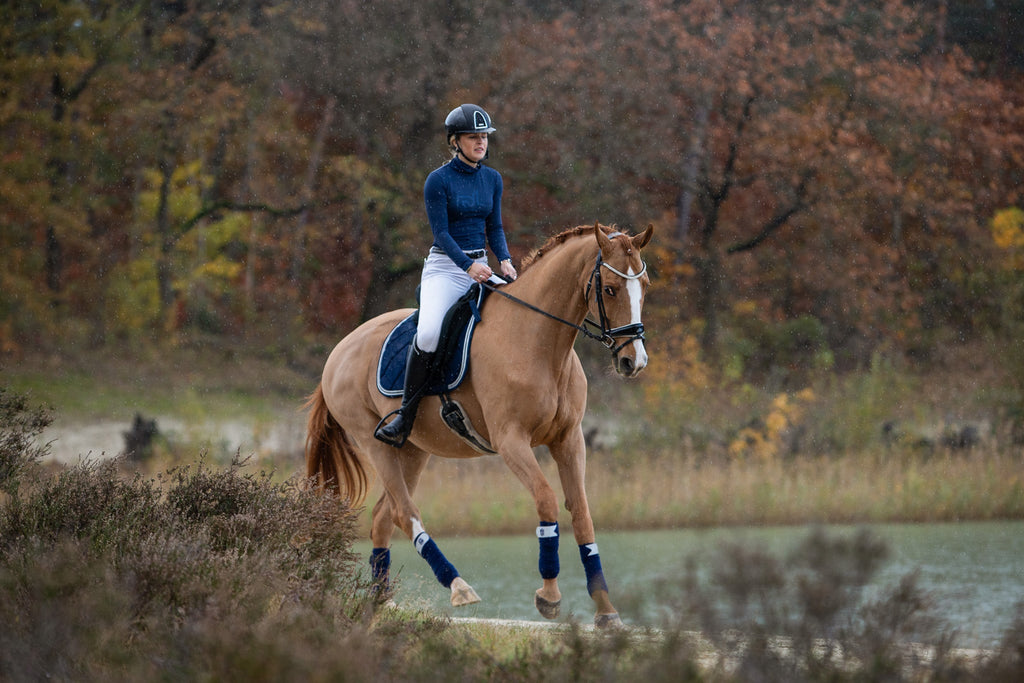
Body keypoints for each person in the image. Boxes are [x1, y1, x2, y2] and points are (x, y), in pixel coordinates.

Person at [375, 103, 518, 447]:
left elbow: (494, 226)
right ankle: (404, 417)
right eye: (473, 137)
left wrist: (506, 259)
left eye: (484, 136)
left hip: (482, 266)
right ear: (455, 141)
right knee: (427, 335)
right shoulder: (437, 181)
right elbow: (441, 233)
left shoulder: (492, 179)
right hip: (446, 268)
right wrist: (468, 266)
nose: (481, 142)